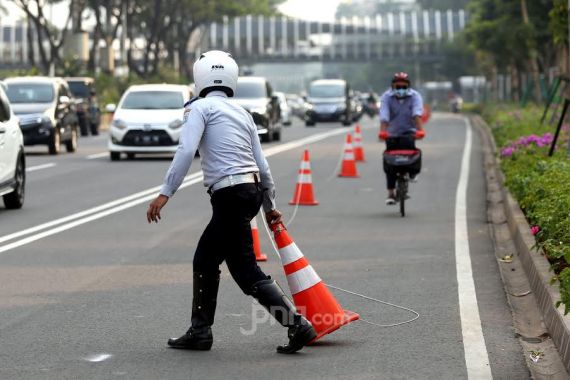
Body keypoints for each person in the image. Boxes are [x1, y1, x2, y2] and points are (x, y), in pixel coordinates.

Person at [146, 50, 316, 354]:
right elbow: (262, 166)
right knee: (238, 266)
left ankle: (290, 325)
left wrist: (165, 193)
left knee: (211, 261)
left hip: (229, 195)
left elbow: (186, 151)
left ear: (200, 78)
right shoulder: (242, 113)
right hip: (249, 193)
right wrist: (269, 205)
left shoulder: (198, 109)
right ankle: (289, 326)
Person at [379, 72, 425, 205]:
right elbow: (384, 115)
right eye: (398, 86)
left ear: (408, 87)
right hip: (391, 133)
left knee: (412, 156)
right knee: (390, 163)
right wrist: (382, 132)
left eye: (404, 87)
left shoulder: (415, 96)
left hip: (409, 132)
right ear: (392, 86)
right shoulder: (386, 97)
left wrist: (421, 130)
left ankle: (412, 173)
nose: (401, 89)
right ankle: (391, 193)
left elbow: (417, 114)